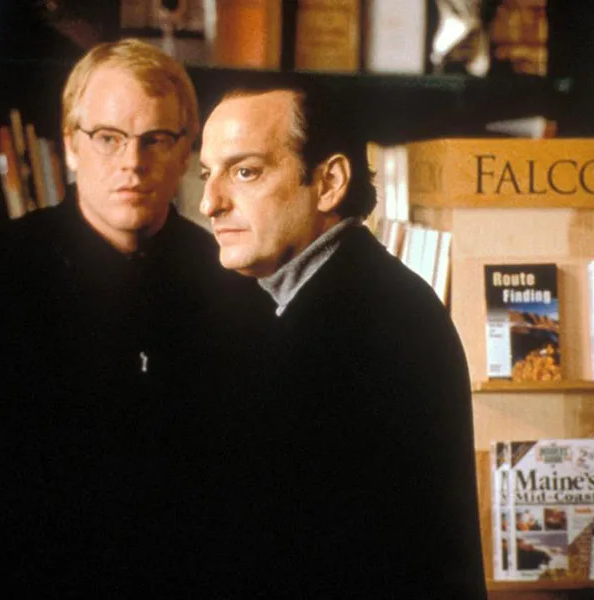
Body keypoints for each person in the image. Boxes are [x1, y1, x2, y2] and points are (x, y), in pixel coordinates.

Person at [0, 39, 266, 598]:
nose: (132, 163)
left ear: (187, 153)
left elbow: (255, 498)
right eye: (108, 138)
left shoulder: (239, 283)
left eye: (155, 139)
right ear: (70, 146)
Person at [198, 83, 487, 597]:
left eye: (245, 172)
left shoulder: (367, 322)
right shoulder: (344, 296)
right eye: (207, 174)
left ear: (328, 182)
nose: (209, 203)